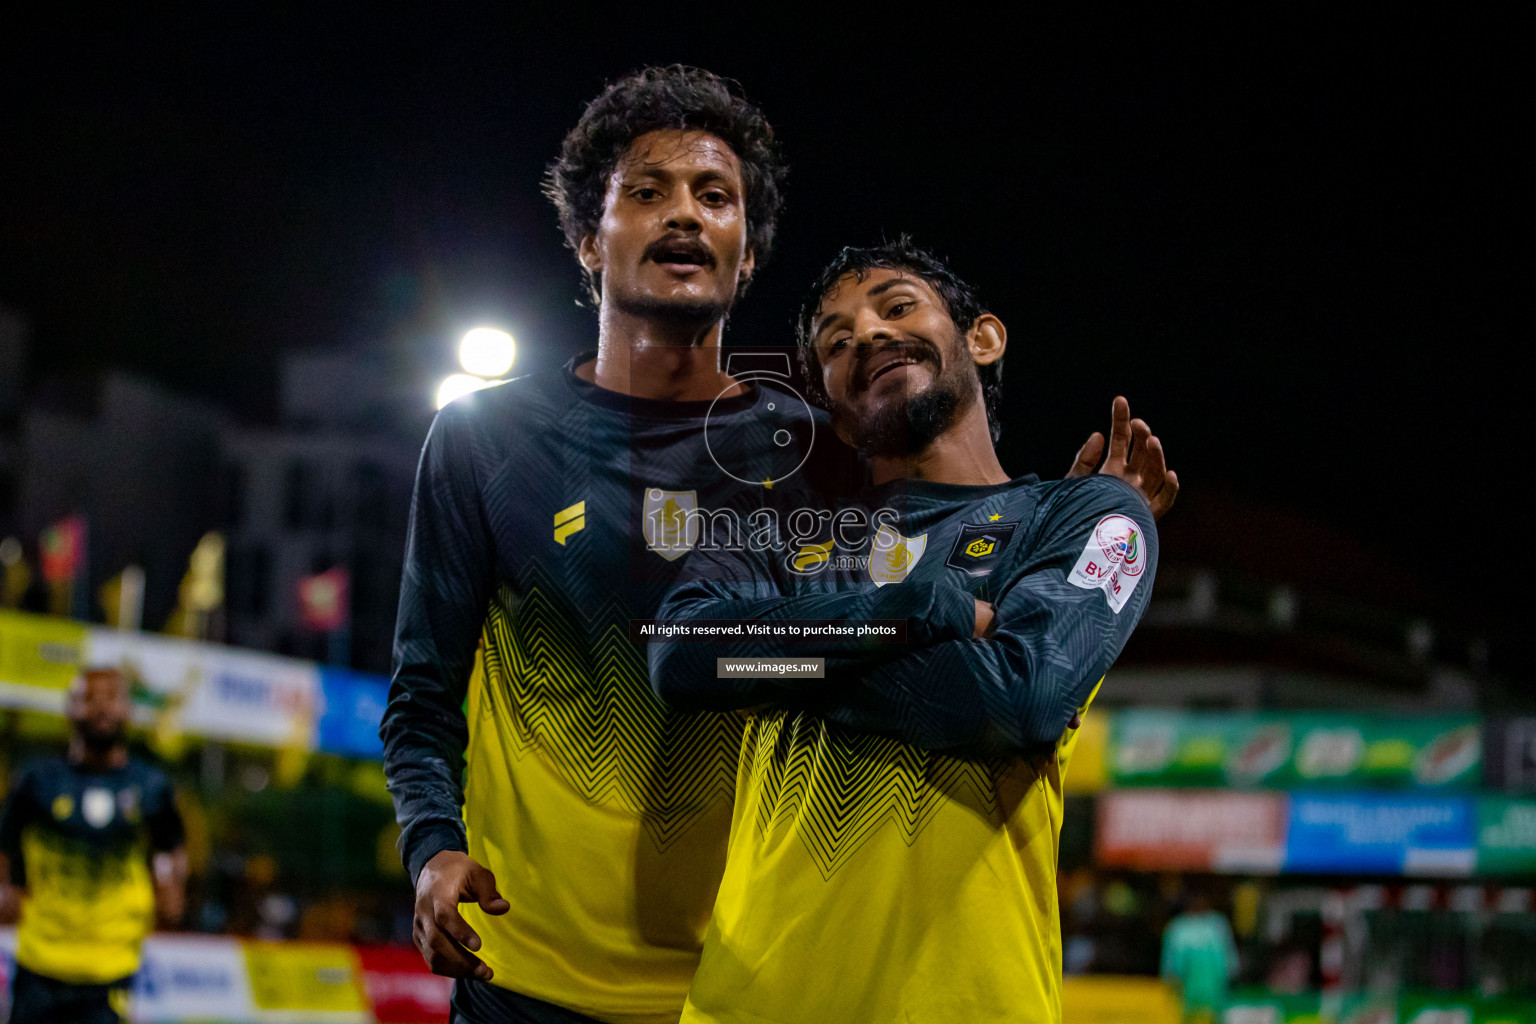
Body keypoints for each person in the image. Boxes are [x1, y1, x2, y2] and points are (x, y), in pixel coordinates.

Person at [383, 66, 1170, 1024]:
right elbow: (434, 688)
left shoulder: (812, 461)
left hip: (733, 979)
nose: (684, 214)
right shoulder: (481, 440)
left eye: (714, 197)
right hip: (531, 977)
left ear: (746, 252)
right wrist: (431, 844)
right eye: (647, 192)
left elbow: (967, 543)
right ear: (590, 238)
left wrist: (1097, 520)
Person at [649, 238, 1170, 1023]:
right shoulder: (776, 528)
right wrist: (914, 613)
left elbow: (1014, 701)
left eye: (897, 307)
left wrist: (779, 658)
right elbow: (685, 657)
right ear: (829, 397)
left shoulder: (1086, 515)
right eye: (837, 342)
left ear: (982, 339)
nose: (870, 337)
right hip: (745, 1005)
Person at [0, 667, 187, 1024]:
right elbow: (6, 843)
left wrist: (171, 884)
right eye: (89, 698)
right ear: (70, 708)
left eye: (111, 698)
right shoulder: (36, 781)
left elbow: (170, 846)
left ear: (128, 710)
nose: (101, 708)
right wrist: (8, 887)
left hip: (111, 966)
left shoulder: (151, 786)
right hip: (41, 961)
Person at [1161, 890, 1240, 1023]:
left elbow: (1229, 959)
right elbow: (1171, 965)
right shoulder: (1178, 927)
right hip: (1188, 991)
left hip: (1214, 990)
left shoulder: (1217, 924)